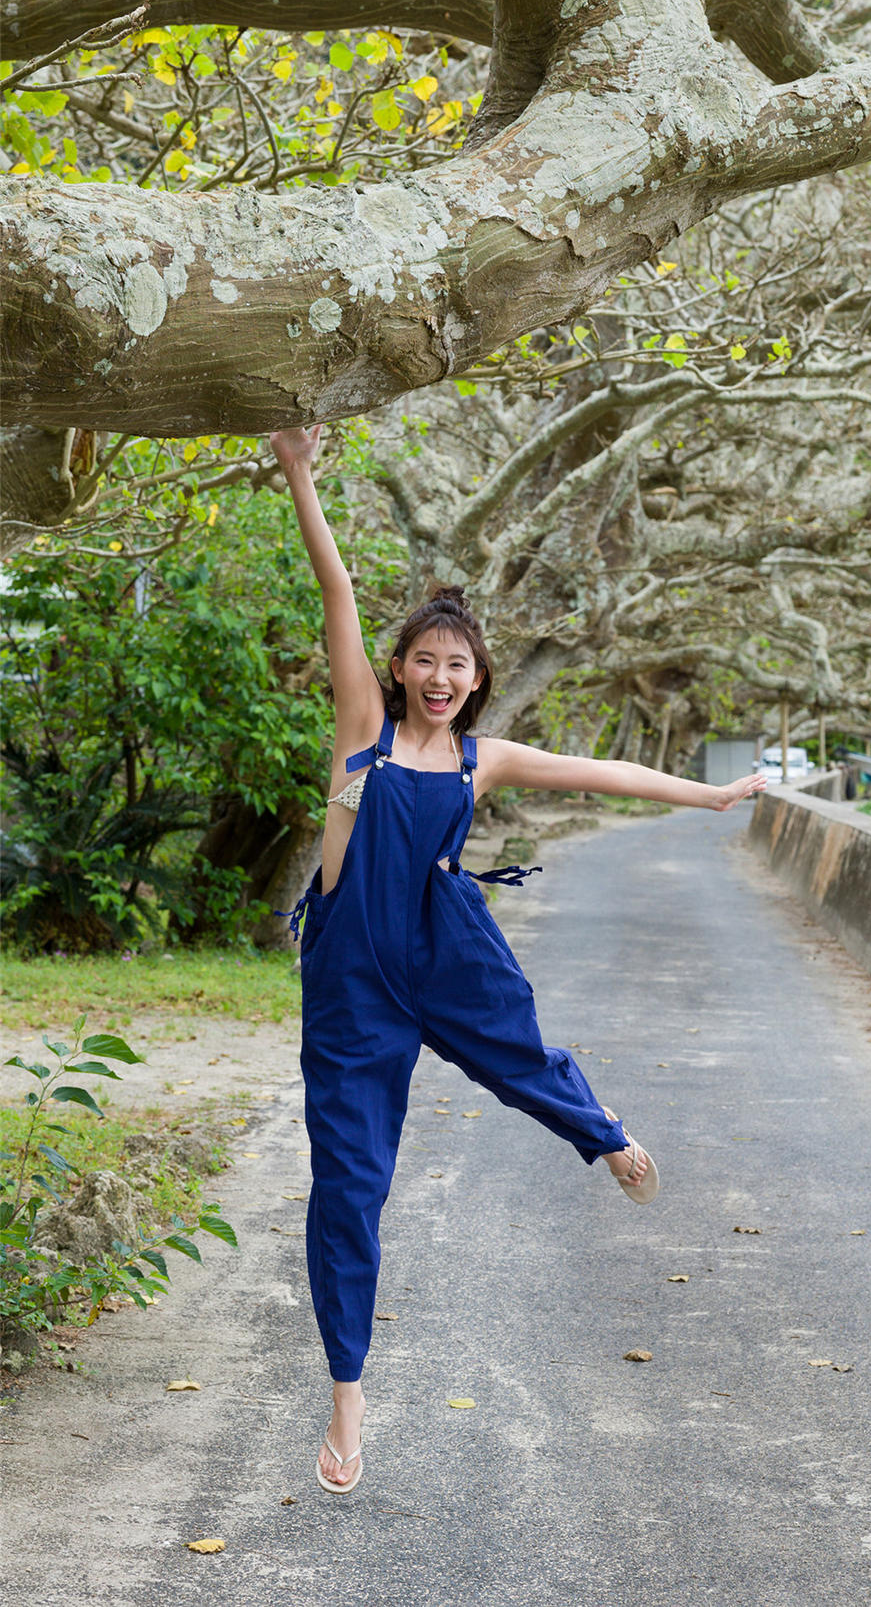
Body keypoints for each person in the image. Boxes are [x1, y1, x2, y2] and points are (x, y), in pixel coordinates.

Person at [268, 424, 768, 1492]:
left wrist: (711, 793)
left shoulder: (481, 760)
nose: (441, 676)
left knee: (522, 1051)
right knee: (348, 1187)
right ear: (400, 671)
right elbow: (339, 593)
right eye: (426, 661)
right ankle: (348, 1400)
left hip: (443, 949)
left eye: (459, 665)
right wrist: (300, 474)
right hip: (351, 983)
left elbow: (603, 775)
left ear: (477, 677)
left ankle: (605, 1135)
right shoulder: (361, 731)